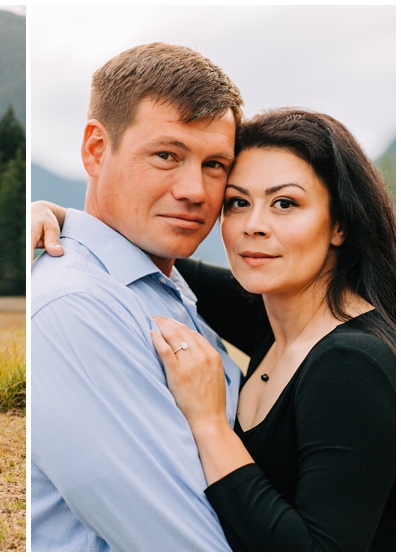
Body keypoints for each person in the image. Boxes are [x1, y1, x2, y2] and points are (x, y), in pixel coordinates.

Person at [32, 110, 397, 551]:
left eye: (285, 203)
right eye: (238, 203)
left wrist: (209, 424)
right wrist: (59, 217)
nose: (253, 225)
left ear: (339, 223)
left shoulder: (352, 364)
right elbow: (146, 254)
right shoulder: (274, 315)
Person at [29, 43, 243, 551]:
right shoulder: (76, 307)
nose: (195, 190)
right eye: (166, 155)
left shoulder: (164, 290)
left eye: (215, 164)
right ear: (96, 150)